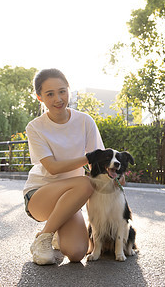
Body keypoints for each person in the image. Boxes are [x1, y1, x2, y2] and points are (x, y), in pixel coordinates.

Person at [23, 68, 104, 265]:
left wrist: (115, 177)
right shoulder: (35, 127)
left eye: (62, 91)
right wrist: (89, 158)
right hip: (40, 195)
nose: (58, 99)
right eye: (50, 94)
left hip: (71, 197)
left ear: (69, 90)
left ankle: (55, 230)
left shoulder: (85, 121)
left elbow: (99, 163)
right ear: (40, 97)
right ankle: (43, 239)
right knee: (86, 184)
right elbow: (52, 167)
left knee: (76, 253)